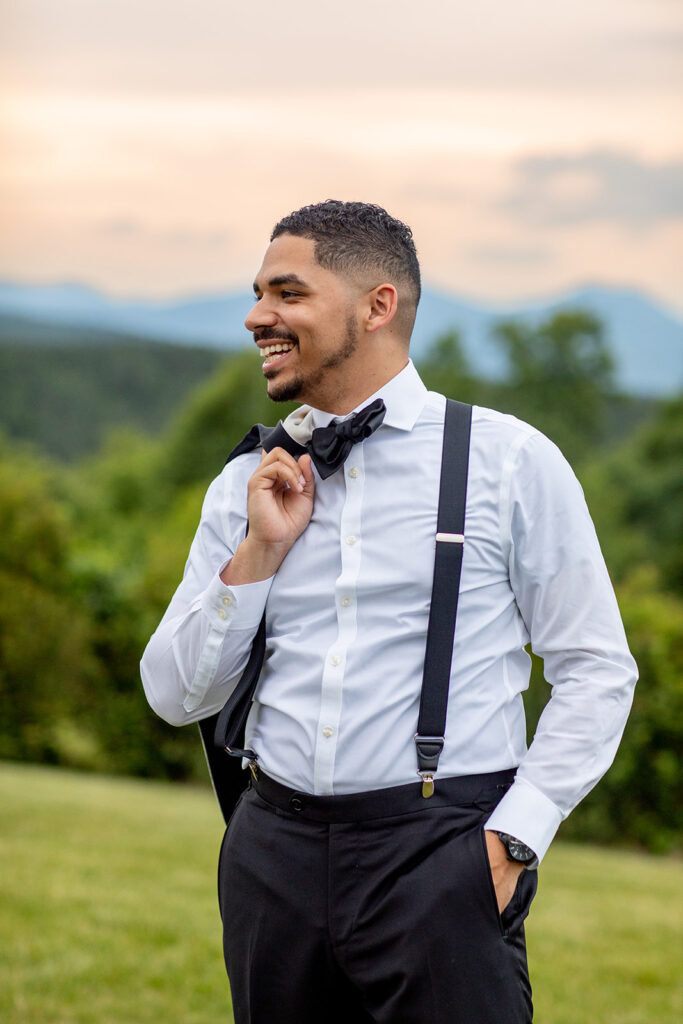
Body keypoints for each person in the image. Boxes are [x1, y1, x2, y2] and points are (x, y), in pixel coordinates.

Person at [141, 200, 637, 1024]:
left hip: (443, 856)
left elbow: (594, 667)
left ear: (377, 306)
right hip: (272, 854)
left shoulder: (508, 460)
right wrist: (257, 555)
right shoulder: (244, 482)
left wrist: (514, 837)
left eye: (287, 293)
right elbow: (172, 694)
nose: (256, 316)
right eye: (259, 293)